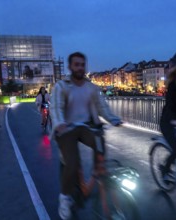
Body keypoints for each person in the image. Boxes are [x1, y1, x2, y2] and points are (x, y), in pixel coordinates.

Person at [50, 52, 122, 220]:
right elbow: (56, 108)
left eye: (82, 65)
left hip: (85, 127)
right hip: (66, 129)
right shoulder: (62, 86)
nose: (80, 68)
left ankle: (98, 173)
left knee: (99, 141)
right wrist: (59, 123)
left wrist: (113, 119)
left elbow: (101, 107)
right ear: (70, 67)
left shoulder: (91, 87)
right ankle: (65, 198)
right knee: (73, 163)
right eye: (77, 65)